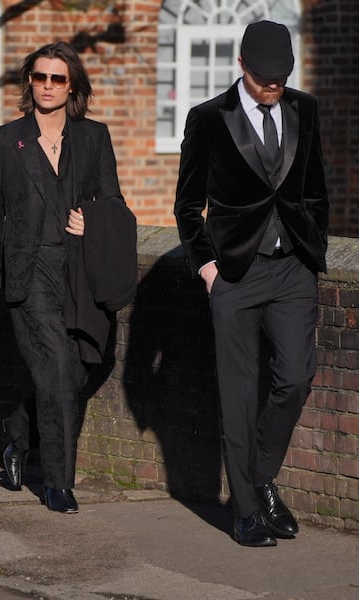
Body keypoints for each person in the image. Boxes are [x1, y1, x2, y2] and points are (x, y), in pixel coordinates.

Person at [175, 21, 329, 547]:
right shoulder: (207, 119)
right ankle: (245, 510)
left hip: (292, 271)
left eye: (281, 77)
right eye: (265, 77)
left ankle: (261, 478)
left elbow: (315, 189)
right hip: (234, 276)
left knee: (295, 375)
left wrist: (314, 252)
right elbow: (186, 206)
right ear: (242, 66)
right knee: (238, 395)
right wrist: (206, 268)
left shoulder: (304, 109)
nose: (273, 86)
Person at [0, 42, 134, 514]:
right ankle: (59, 482)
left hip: (80, 270)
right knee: (59, 372)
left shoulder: (94, 137)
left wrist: (96, 219)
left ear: (72, 86)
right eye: (39, 77)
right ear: (29, 82)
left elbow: (115, 202)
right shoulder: (6, 140)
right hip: (29, 272)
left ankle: (18, 430)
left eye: (57, 79)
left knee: (83, 364)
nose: (46, 86)